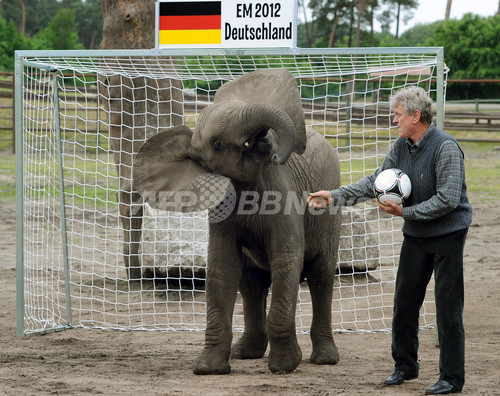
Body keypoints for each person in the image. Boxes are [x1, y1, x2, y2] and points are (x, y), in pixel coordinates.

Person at [307, 86, 472, 395]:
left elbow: (448, 200)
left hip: (449, 235)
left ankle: (451, 378)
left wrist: (405, 211)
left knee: (448, 308)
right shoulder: (401, 145)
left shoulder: (446, 147)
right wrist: (334, 196)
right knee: (404, 302)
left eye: (397, 115)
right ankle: (406, 366)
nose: (394, 121)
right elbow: (376, 181)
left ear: (416, 116)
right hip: (416, 234)